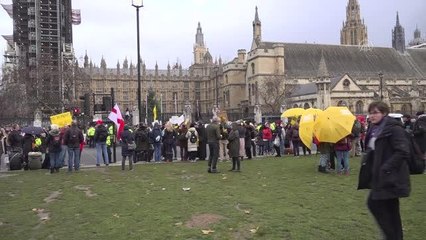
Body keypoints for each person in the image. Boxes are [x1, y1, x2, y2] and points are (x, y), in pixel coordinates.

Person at [364, 101, 410, 240]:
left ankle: (391, 236)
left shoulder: (394, 129)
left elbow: (403, 151)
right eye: (370, 113)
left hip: (390, 176)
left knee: (375, 203)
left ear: (384, 113)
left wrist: (386, 168)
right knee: (390, 209)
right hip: (379, 174)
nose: (372, 116)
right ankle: (394, 236)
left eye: (375, 112)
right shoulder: (374, 129)